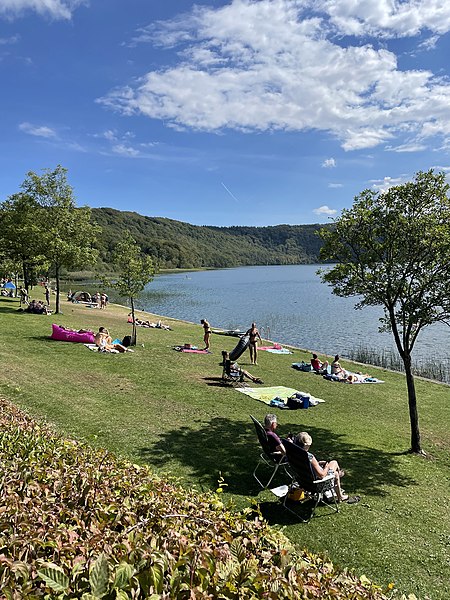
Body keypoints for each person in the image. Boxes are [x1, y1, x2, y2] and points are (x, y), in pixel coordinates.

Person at [293, 431, 348, 502]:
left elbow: (307, 466)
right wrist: (326, 467)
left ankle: (336, 476)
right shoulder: (309, 456)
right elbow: (321, 475)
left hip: (302, 481)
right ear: (306, 445)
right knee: (335, 466)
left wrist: (317, 464)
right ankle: (340, 496)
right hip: (315, 485)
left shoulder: (293, 454)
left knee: (334, 463)